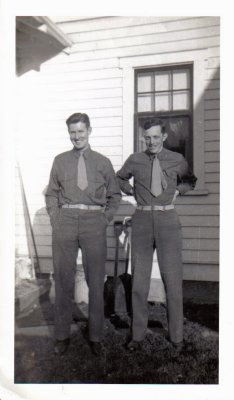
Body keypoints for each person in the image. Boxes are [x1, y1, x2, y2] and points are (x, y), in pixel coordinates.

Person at [116, 118, 197, 352]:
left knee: (172, 281)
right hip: (141, 220)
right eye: (146, 137)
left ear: (163, 137)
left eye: (155, 137)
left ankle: (177, 337)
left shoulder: (177, 159)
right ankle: (138, 335)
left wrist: (178, 192)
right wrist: (130, 190)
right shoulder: (135, 160)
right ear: (144, 137)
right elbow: (120, 177)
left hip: (167, 221)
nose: (150, 141)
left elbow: (190, 181)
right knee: (139, 281)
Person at [45, 112, 121, 356]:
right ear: (69, 133)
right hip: (65, 222)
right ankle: (61, 335)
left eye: (81, 131)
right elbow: (51, 194)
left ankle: (95, 336)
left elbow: (115, 195)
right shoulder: (59, 160)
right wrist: (56, 219)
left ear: (89, 130)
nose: (77, 136)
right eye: (72, 132)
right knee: (64, 280)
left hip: (93, 223)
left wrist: (104, 219)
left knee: (95, 281)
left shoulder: (102, 162)